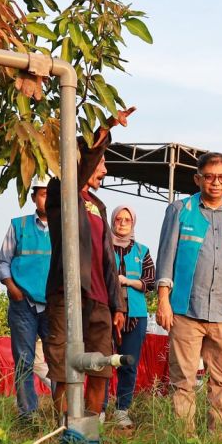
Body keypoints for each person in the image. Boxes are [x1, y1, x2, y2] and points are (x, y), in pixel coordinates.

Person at [156, 151, 222, 434]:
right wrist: (163, 299)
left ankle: (219, 443)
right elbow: (166, 256)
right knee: (183, 380)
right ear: (198, 178)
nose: (215, 183)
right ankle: (184, 441)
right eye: (209, 177)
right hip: (186, 310)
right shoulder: (180, 210)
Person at [44, 110, 131, 418]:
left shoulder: (97, 204)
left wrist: (117, 304)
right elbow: (79, 165)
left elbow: (108, 258)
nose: (103, 170)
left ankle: (88, 434)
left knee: (99, 370)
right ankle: (64, 431)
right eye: (100, 162)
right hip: (69, 294)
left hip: (98, 302)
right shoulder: (60, 192)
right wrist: (104, 128)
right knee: (68, 369)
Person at [0, 176, 52, 421]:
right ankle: (28, 414)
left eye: (51, 194)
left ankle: (65, 411)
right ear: (33, 198)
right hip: (23, 303)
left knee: (58, 360)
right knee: (24, 360)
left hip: (53, 306)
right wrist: (11, 286)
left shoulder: (65, 229)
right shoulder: (18, 225)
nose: (46, 199)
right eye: (42, 194)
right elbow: (3, 261)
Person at [109, 204, 155, 429]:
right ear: (113, 221)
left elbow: (150, 282)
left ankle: (121, 410)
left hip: (135, 314)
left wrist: (127, 281)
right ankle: (97, 409)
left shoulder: (142, 250)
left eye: (127, 219)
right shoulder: (103, 247)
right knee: (103, 362)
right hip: (106, 313)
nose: (123, 223)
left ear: (133, 222)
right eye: (119, 219)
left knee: (128, 364)